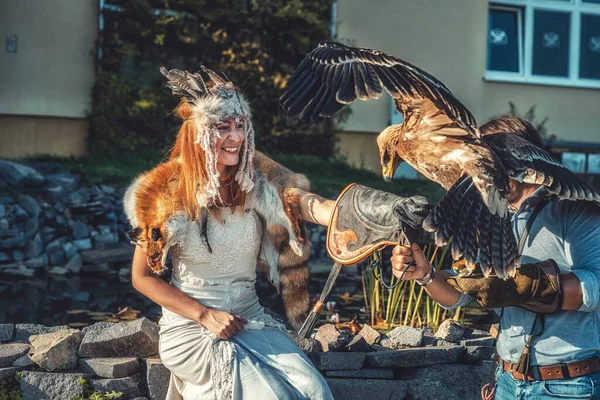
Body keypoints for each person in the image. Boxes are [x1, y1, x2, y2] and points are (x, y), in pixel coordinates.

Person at [127, 66, 335, 400]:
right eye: (223, 127)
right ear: (198, 134)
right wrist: (205, 315)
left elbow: (305, 202)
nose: (235, 137)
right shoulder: (163, 191)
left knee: (314, 391)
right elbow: (142, 277)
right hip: (194, 329)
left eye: (240, 126)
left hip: (250, 322)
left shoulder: (254, 177)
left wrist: (350, 213)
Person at [391, 116, 600, 399]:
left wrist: (527, 285)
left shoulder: (574, 210)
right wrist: (426, 275)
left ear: (521, 156)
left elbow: (596, 285)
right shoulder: (490, 214)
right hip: (506, 381)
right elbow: (464, 293)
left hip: (565, 385)